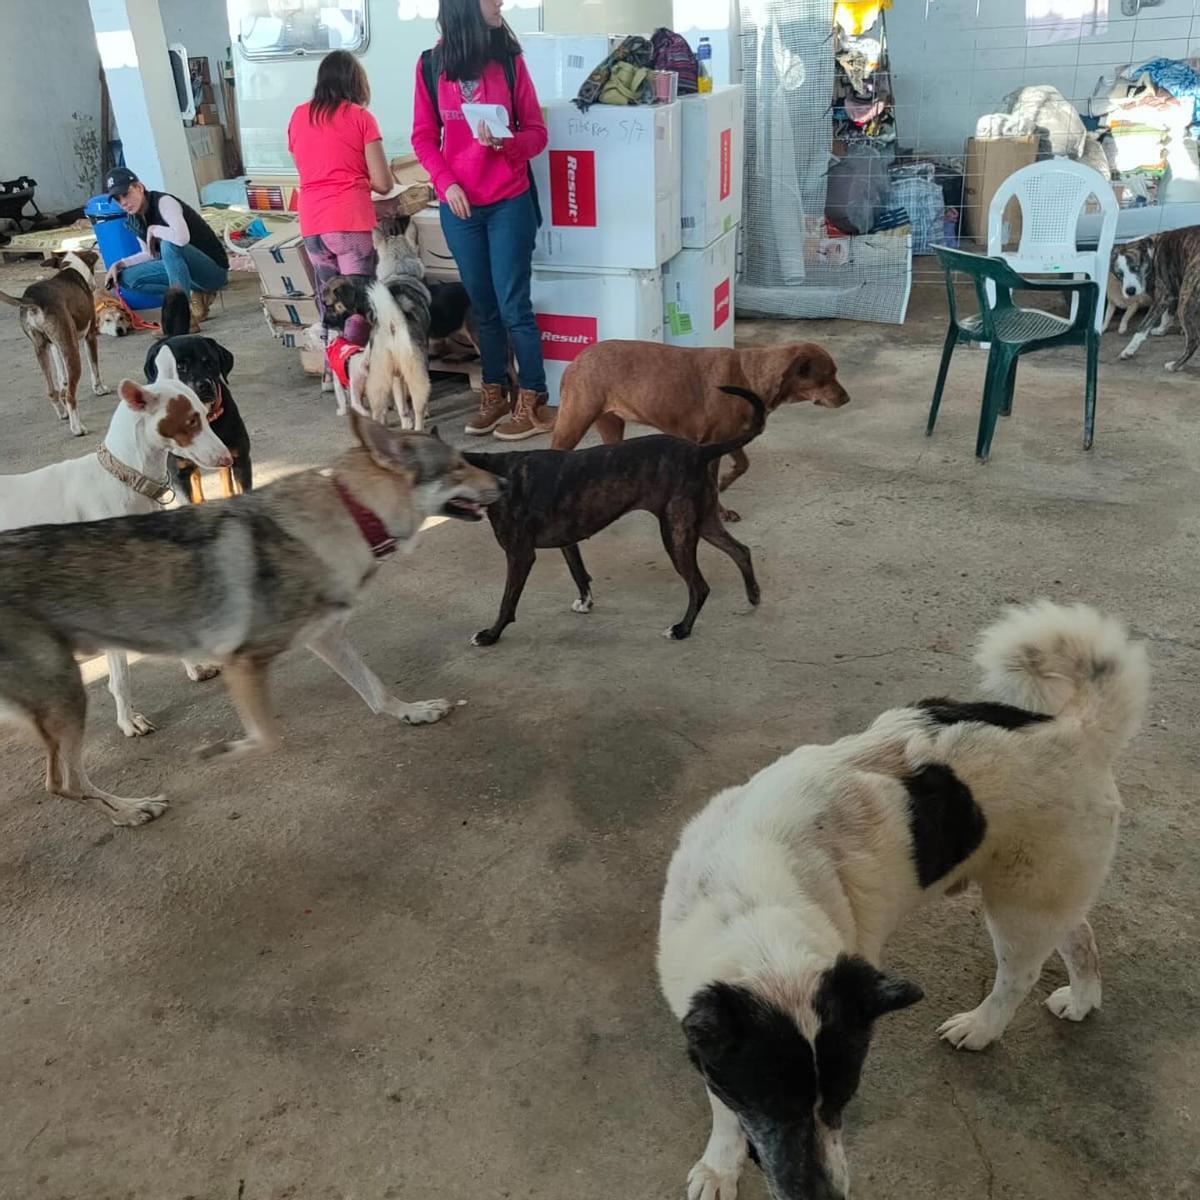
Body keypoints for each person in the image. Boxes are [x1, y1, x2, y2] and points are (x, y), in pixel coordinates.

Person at [412, 0, 551, 440]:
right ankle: (494, 392)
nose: (501, 4)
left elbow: (537, 133)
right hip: (460, 208)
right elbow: (422, 136)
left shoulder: (509, 61)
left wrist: (506, 145)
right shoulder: (431, 65)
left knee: (514, 306)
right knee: (483, 308)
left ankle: (531, 398)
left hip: (509, 201)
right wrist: (445, 182)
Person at [288, 50, 393, 324]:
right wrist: (356, 180)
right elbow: (383, 183)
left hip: (312, 225)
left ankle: (333, 364)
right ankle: (362, 364)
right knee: (357, 307)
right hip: (349, 222)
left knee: (331, 307)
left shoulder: (299, 116)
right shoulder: (360, 117)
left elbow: (304, 166)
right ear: (356, 82)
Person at [103, 167, 229, 329]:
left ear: (139, 188)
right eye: (118, 200)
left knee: (169, 245)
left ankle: (183, 317)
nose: (123, 203)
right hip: (184, 271)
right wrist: (119, 264)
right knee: (125, 278)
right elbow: (149, 254)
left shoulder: (164, 202)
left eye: (126, 194)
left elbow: (182, 238)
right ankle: (193, 293)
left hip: (213, 271)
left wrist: (154, 229)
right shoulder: (134, 219)